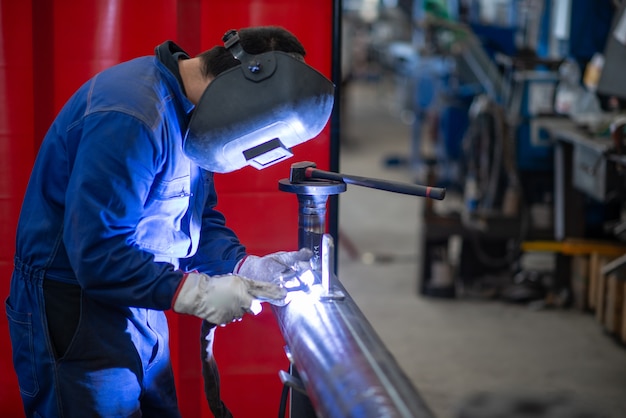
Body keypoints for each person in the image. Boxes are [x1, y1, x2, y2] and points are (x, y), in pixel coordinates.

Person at [5, 26, 333, 417]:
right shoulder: (132, 116)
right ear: (248, 80)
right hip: (74, 312)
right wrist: (196, 293)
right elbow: (97, 254)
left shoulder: (197, 115)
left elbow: (195, 221)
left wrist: (245, 265)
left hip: (137, 300)